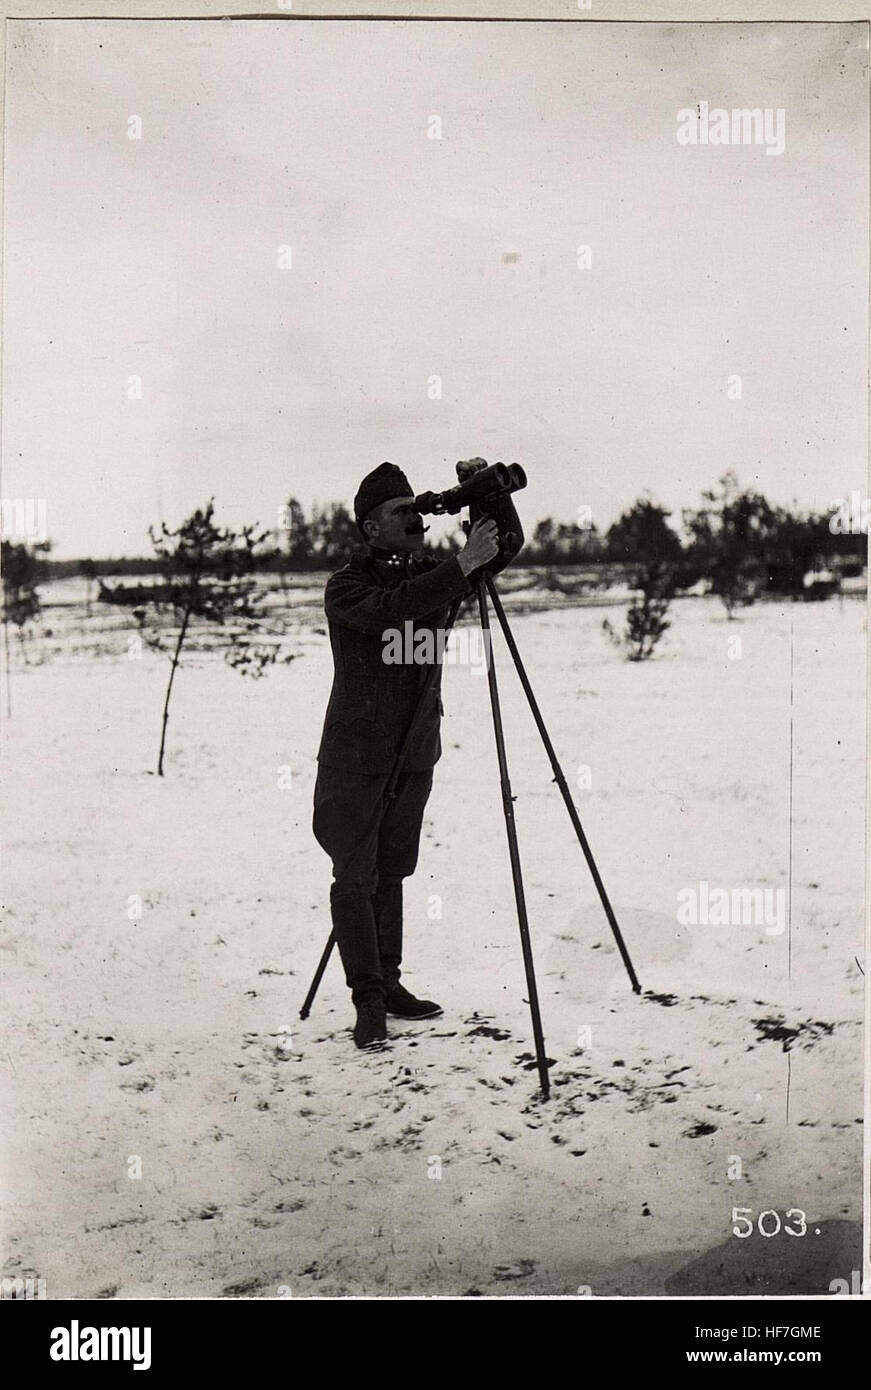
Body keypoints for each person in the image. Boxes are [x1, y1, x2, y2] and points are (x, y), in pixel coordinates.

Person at [312, 459, 523, 1047]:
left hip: (413, 753)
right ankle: (369, 1001)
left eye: (416, 511)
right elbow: (394, 610)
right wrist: (462, 564)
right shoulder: (348, 587)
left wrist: (488, 496)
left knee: (395, 869)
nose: (415, 520)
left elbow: (504, 548)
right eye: (400, 513)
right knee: (355, 876)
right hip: (356, 759)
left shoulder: (436, 573)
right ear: (370, 529)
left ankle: (392, 982)